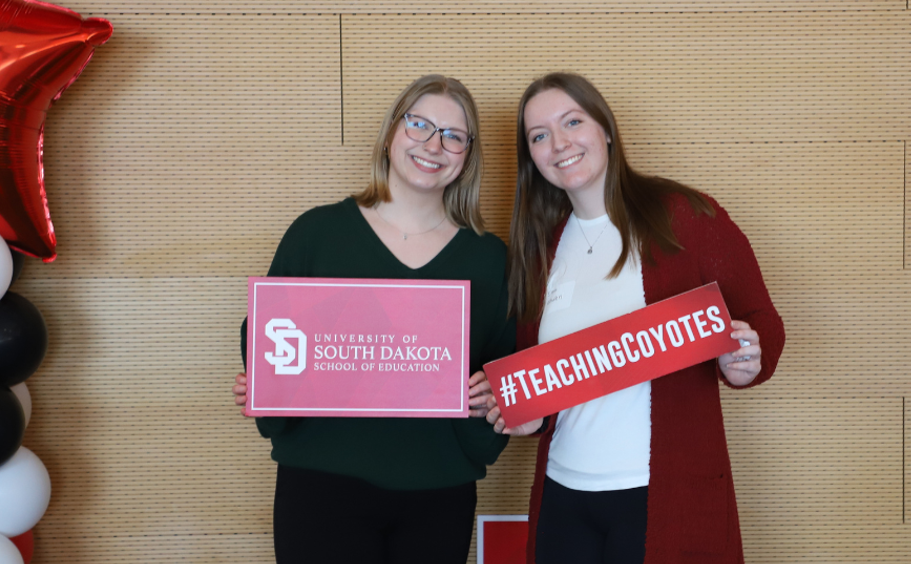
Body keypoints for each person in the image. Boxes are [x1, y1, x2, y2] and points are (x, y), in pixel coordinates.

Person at [486, 72, 785, 564]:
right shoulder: (539, 250)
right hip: (564, 496)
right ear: (532, 158)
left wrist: (749, 358)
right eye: (539, 136)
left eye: (572, 122)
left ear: (605, 128)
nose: (559, 143)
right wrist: (527, 417)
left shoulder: (685, 216)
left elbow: (762, 323)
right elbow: (537, 379)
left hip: (661, 494)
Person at [231, 74, 515, 564]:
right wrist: (266, 383)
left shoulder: (490, 259)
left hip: (439, 493)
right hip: (321, 488)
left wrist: (493, 396)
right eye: (419, 125)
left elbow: (503, 376)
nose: (433, 145)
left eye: (453, 135)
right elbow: (267, 336)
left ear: (468, 155)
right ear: (390, 134)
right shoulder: (316, 234)